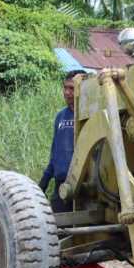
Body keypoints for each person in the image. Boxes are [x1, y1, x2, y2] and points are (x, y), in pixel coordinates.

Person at [39, 69, 87, 213]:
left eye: (71, 88)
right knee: (57, 230)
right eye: (65, 88)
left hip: (84, 187)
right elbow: (55, 152)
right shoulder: (61, 116)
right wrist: (44, 182)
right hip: (61, 186)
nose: (66, 93)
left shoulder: (89, 116)